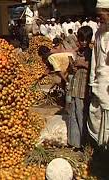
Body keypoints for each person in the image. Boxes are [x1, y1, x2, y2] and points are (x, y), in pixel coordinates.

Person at [67, 26, 93, 149]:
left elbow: (95, 69)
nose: (83, 42)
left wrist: (82, 64)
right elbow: (71, 69)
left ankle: (84, 144)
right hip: (74, 88)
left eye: (85, 40)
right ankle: (74, 143)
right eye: (81, 39)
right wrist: (72, 66)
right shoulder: (77, 52)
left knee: (81, 115)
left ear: (89, 40)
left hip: (83, 89)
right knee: (73, 115)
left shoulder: (91, 53)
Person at [88, 0, 109, 147]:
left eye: (101, 15)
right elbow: (95, 60)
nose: (99, 19)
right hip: (100, 82)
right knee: (96, 114)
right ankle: (101, 146)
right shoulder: (99, 33)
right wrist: (91, 81)